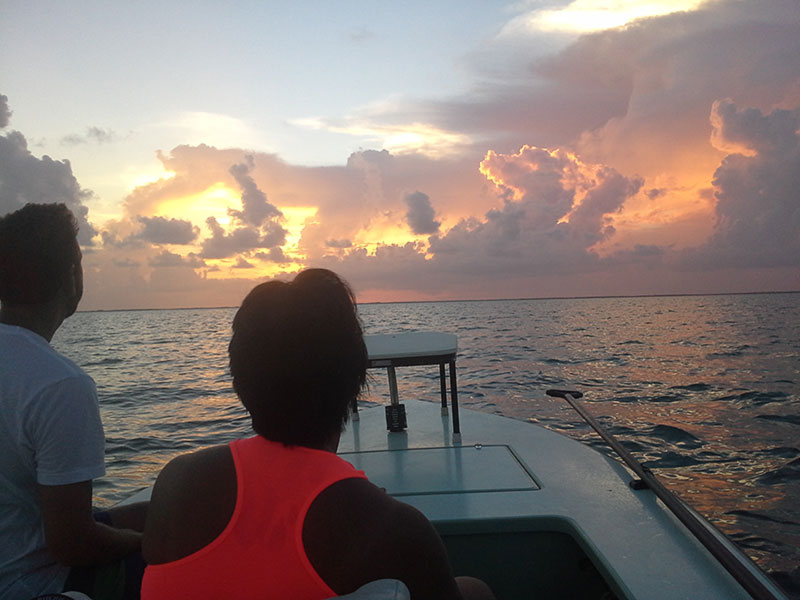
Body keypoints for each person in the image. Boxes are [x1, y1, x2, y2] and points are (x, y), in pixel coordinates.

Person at [141, 268, 493, 600]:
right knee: (474, 590)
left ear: (240, 381)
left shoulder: (177, 481)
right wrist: (366, 506)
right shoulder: (394, 528)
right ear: (354, 383)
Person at [0, 203, 147, 600]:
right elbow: (73, 545)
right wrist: (141, 543)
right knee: (174, 552)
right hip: (34, 584)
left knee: (155, 509)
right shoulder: (60, 384)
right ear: (72, 276)